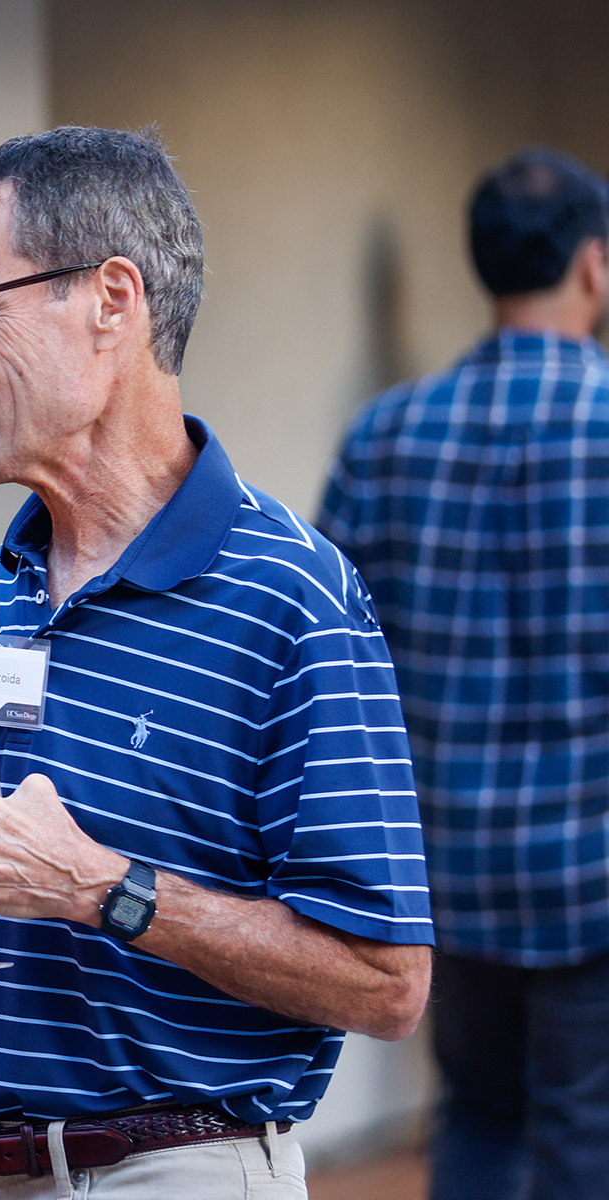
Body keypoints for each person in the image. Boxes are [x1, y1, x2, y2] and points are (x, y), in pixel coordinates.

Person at [0, 127, 434, 1200]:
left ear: (113, 301)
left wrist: (97, 886)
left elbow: (386, 983)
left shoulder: (294, 599)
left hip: (165, 1169)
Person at [318, 147, 609, 1200]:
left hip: (446, 866)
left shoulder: (385, 435)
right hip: (594, 870)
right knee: (590, 1133)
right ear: (595, 265)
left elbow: (329, 653)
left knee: (476, 1117)